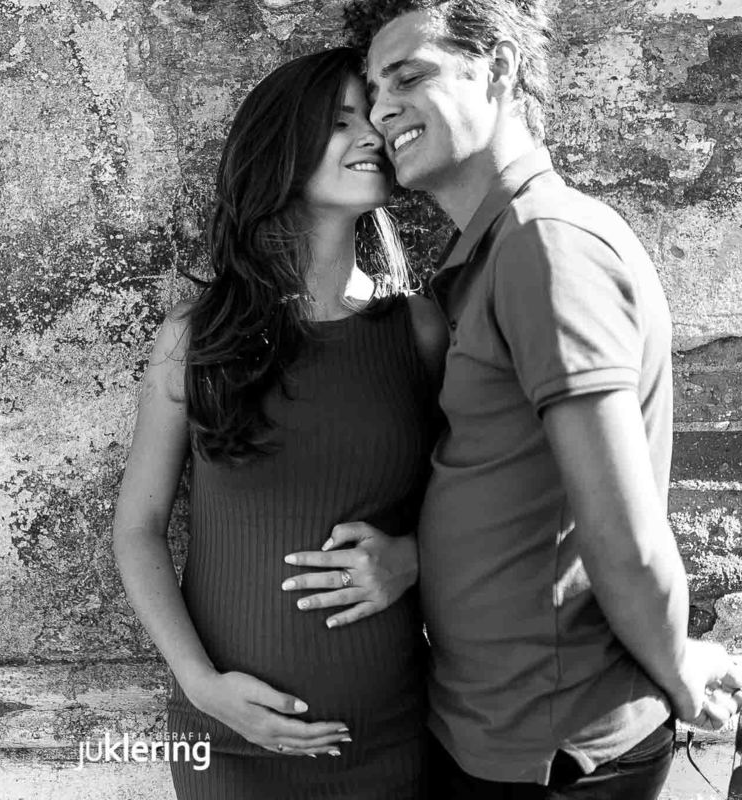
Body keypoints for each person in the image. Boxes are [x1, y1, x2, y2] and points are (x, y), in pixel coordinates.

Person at [294, 0, 742, 797]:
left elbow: (625, 535)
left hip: (554, 747)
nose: (383, 109)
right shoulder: (495, 251)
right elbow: (507, 486)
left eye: (409, 76)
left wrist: (677, 667)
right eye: (374, 90)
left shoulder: (546, 245)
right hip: (491, 726)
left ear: (499, 66)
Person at [112, 47, 446, 800]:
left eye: (375, 118)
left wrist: (415, 557)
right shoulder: (195, 337)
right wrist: (201, 685)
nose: (372, 134)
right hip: (229, 746)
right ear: (281, 151)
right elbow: (138, 525)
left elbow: (479, 494)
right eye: (340, 121)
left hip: (391, 738)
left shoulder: (418, 329)